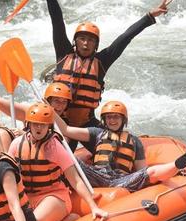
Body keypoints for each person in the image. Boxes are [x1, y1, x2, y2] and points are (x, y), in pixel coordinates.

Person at [47, 0, 171, 150]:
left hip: (86, 125)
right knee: (60, 156)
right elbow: (57, 20)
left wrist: (149, 16)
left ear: (96, 45)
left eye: (91, 40)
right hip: (60, 122)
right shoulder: (63, 54)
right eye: (82, 39)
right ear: (75, 41)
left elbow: (125, 38)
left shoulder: (102, 61)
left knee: (115, 153)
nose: (86, 43)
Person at [54, 100, 186, 191]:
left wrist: (144, 180)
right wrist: (48, 109)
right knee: (69, 157)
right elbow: (65, 129)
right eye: (108, 118)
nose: (112, 121)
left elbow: (142, 170)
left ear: (123, 120)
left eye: (116, 117)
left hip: (121, 180)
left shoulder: (135, 141)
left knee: (150, 172)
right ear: (104, 120)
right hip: (96, 174)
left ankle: (177, 165)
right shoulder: (96, 133)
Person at [8, 103, 106, 221]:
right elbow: (9, 176)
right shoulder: (17, 144)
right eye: (35, 124)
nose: (39, 128)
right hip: (28, 198)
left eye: (43, 124)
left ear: (49, 126)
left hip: (55, 197)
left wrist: (93, 207)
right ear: (28, 124)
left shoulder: (55, 147)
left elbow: (75, 180)